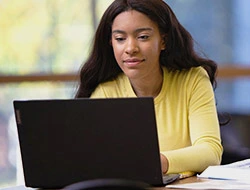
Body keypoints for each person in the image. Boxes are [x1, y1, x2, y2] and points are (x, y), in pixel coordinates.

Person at [75, 0, 223, 175]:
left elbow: (210, 152)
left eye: (143, 37)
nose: (130, 48)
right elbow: (91, 160)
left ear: (163, 40)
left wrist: (156, 163)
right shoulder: (106, 91)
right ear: (111, 43)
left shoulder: (193, 80)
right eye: (120, 39)